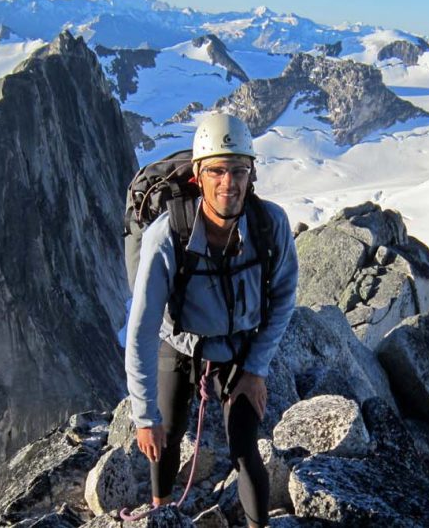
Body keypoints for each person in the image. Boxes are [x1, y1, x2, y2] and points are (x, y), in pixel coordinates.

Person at [124, 113, 299, 528]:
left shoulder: (269, 224)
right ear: (198, 177)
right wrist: (144, 417)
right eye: (217, 171)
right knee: (163, 439)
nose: (229, 182)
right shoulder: (167, 236)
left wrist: (255, 370)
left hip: (236, 351)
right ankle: (162, 513)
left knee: (244, 449)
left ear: (251, 174)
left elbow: (283, 297)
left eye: (238, 170)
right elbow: (142, 330)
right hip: (179, 346)